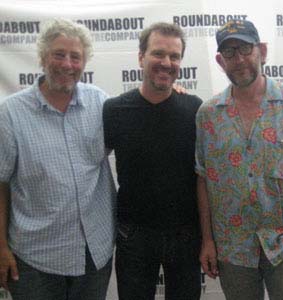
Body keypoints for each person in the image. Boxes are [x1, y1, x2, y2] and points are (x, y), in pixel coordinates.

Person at [195, 19, 283, 300]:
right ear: (219, 60)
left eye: (245, 49)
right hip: (232, 247)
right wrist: (208, 240)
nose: (239, 60)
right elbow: (203, 178)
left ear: (262, 50)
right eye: (229, 52)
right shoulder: (208, 114)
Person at [0, 19, 116, 300]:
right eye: (58, 54)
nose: (67, 64)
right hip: (35, 259)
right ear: (42, 58)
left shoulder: (101, 103)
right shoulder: (11, 114)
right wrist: (1, 246)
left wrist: (172, 93)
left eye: (75, 57)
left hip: (94, 253)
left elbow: (143, 115)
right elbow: (1, 183)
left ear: (84, 62)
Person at [103, 22, 202, 300]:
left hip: (186, 236)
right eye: (158, 54)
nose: (166, 63)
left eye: (174, 56)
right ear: (140, 57)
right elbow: (91, 168)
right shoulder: (114, 110)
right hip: (133, 236)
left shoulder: (195, 108)